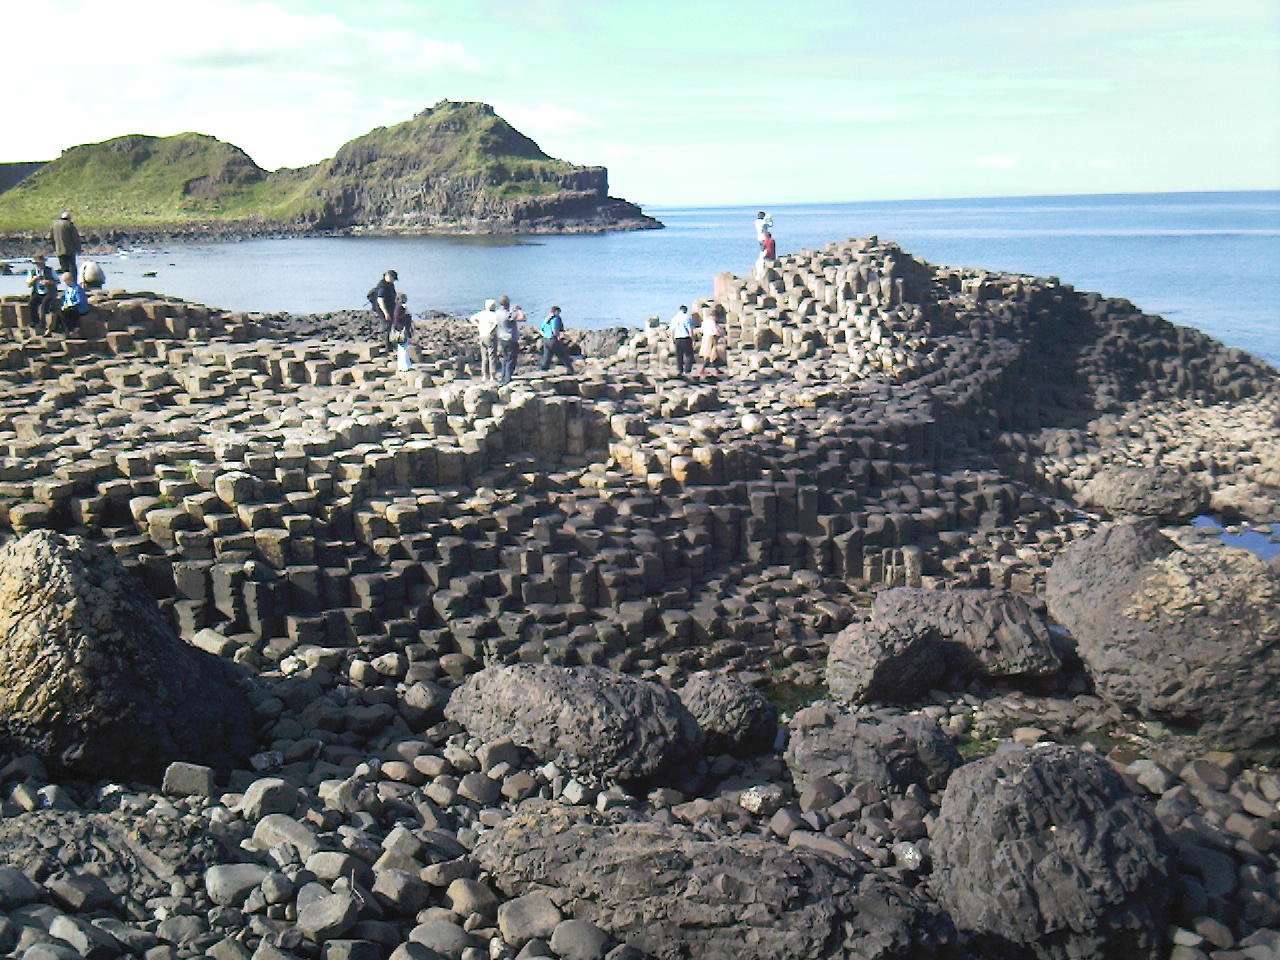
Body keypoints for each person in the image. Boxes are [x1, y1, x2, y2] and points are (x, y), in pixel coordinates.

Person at [25, 255, 57, 330]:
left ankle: (43, 324)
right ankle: (34, 322)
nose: (40, 265)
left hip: (49, 292)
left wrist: (48, 282)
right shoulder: (32, 272)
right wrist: (34, 279)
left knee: (44, 305)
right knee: (31, 303)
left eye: (41, 263)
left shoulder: (50, 270)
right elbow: (28, 284)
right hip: (37, 292)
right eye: (38, 264)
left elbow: (57, 281)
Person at [539, 305, 574, 372]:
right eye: (559, 312)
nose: (559, 314)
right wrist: (558, 337)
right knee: (563, 355)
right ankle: (570, 370)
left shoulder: (546, 319)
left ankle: (543, 371)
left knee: (547, 357)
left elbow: (541, 329)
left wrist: (545, 336)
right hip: (553, 339)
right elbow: (555, 329)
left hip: (546, 340)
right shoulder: (555, 318)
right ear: (556, 311)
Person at [472, 298, 500, 380]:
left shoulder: (481, 313)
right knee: (492, 356)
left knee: (484, 356)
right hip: (490, 336)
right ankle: (492, 376)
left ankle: (484, 375)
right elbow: (496, 323)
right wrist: (490, 331)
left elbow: (472, 319)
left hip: (482, 335)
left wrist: (478, 325)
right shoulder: (494, 315)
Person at [368, 270, 398, 345]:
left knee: (390, 327)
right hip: (384, 309)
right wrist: (385, 313)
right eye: (393, 278)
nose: (393, 280)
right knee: (387, 328)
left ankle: (390, 345)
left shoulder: (390, 284)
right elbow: (380, 300)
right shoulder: (383, 287)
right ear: (388, 276)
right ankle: (388, 347)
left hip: (389, 308)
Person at [497, 295, 521, 385]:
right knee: (511, 360)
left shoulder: (498, 313)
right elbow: (522, 318)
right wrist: (518, 310)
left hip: (502, 338)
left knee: (505, 359)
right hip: (510, 339)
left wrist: (511, 311)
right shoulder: (508, 315)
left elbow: (509, 315)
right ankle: (507, 379)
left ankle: (503, 377)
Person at [665, 305, 696, 375]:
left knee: (679, 355)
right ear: (685, 310)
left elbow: (672, 331)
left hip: (677, 338)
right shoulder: (687, 318)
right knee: (689, 355)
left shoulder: (674, 318)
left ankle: (680, 370)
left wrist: (672, 339)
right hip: (686, 338)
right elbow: (690, 330)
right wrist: (693, 340)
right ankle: (687, 371)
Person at [51, 212, 81, 277]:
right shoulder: (69, 225)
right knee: (72, 268)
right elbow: (75, 238)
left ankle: (66, 283)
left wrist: (55, 248)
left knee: (64, 269)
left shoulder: (54, 225)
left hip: (59, 251)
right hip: (70, 251)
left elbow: (51, 238)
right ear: (69, 218)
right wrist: (78, 249)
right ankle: (74, 283)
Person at [389, 293, 413, 372]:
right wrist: (408, 315)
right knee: (404, 349)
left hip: (398, 329)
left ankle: (402, 365)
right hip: (402, 330)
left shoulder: (396, 307)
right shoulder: (402, 308)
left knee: (401, 349)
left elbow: (396, 319)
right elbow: (404, 319)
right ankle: (405, 366)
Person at [699, 305, 727, 371]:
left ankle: (716, 369)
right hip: (711, 338)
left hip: (705, 337)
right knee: (711, 354)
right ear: (715, 317)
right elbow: (715, 331)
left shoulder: (705, 321)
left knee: (710, 354)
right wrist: (721, 335)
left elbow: (701, 330)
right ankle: (703, 369)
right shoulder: (712, 322)